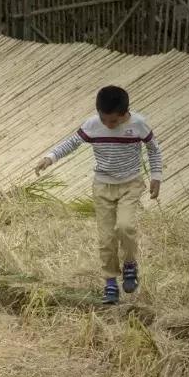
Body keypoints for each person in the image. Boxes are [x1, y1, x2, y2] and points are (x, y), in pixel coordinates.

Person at [35, 86, 164, 305]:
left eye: (113, 121)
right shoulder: (93, 125)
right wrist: (51, 157)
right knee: (106, 238)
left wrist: (156, 176)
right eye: (104, 119)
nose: (108, 125)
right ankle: (110, 282)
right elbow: (72, 143)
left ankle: (130, 264)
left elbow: (153, 149)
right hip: (103, 186)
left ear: (124, 114)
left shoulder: (138, 124)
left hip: (130, 184)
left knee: (125, 227)